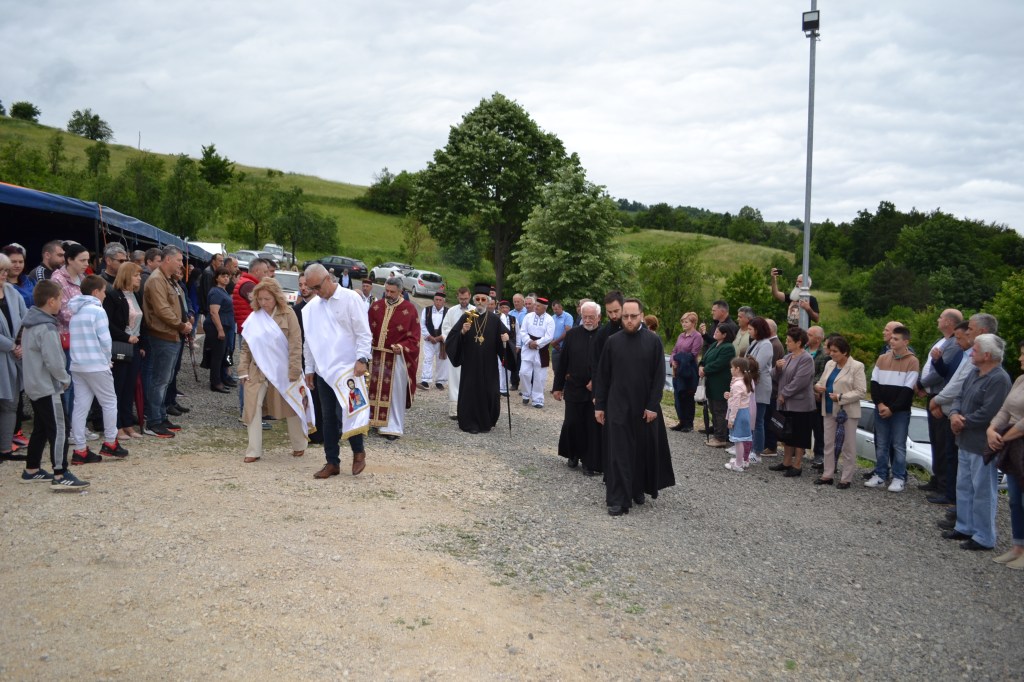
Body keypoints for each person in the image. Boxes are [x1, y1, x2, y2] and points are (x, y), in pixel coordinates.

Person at [594, 298, 675, 516]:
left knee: (640, 450)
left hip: (643, 407)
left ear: (641, 316)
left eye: (633, 316)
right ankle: (618, 499)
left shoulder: (653, 341)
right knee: (618, 452)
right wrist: (599, 405)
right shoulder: (612, 341)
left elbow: (659, 377)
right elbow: (603, 376)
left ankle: (637, 488)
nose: (629, 320)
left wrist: (652, 405)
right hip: (617, 406)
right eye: (625, 317)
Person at [301, 264, 372, 478]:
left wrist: (362, 358)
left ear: (328, 279)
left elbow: (363, 332)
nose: (315, 292)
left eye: (317, 287)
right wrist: (309, 368)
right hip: (324, 370)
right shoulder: (311, 308)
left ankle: (358, 452)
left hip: (348, 369)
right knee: (328, 416)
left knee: (351, 410)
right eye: (311, 288)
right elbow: (309, 341)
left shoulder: (351, 299)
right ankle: (332, 461)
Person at [942, 334, 1012, 551]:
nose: (971, 353)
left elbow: (990, 411)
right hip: (965, 440)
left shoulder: (999, 379)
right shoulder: (974, 372)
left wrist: (962, 422)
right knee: (964, 486)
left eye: (975, 350)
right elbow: (959, 397)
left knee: (983, 491)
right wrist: (954, 414)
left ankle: (984, 536)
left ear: (987, 355)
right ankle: (965, 526)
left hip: (982, 444)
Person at [20, 280, 89, 489]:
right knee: (59, 429)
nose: (61, 303)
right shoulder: (47, 328)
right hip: (48, 387)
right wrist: (64, 379)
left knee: (41, 427)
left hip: (34, 384)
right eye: (60, 299)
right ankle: (60, 474)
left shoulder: (29, 324)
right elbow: (54, 361)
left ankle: (32, 468)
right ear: (51, 301)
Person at [238, 278, 311, 463]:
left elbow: (296, 343)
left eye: (267, 299)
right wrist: (242, 369)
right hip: (257, 369)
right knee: (252, 406)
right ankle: (253, 450)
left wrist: (294, 370)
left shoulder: (288, 314)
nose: (263, 303)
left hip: (282, 369)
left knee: (292, 404)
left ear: (276, 297)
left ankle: (299, 444)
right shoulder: (254, 317)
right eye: (260, 299)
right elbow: (246, 347)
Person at [68, 275, 128, 463]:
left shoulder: (75, 311)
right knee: (109, 402)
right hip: (96, 364)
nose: (105, 295)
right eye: (103, 291)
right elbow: (105, 339)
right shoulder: (97, 311)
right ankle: (110, 442)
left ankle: (80, 449)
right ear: (95, 292)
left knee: (80, 406)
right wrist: (107, 359)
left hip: (78, 364)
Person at [444, 284, 514, 434]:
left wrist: (506, 340)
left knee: (489, 392)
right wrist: (462, 332)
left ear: (488, 301)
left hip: (489, 365)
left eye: (483, 299)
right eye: (478, 299)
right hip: (470, 364)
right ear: (474, 300)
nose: (480, 302)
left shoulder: (494, 319)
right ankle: (469, 423)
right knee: (470, 392)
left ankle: (486, 422)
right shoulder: (467, 316)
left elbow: (507, 338)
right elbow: (451, 339)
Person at [142, 246, 192, 439]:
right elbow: (162, 310)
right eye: (179, 260)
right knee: (159, 380)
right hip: (162, 335)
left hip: (172, 335)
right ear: (168, 259)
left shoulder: (169, 280)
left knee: (166, 379)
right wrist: (181, 325)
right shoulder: (156, 280)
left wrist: (184, 323)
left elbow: (176, 305)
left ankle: (161, 416)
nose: (181, 264)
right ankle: (153, 421)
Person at [864, 325, 920, 492]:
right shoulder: (882, 358)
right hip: (881, 408)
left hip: (900, 412)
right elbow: (874, 383)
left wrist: (892, 409)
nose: (892, 341)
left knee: (898, 444)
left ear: (906, 342)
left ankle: (898, 477)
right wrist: (880, 404)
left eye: (896, 339)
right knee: (881, 443)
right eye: (892, 338)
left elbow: (907, 390)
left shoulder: (912, 361)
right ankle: (880, 474)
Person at [917, 309, 964, 501]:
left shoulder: (953, 344)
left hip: (941, 397)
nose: (938, 319)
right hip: (933, 395)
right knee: (935, 439)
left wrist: (921, 384)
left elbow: (941, 373)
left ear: (949, 322)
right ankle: (937, 478)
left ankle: (944, 485)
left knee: (943, 441)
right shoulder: (942, 341)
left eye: (941, 317)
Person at [367, 277, 421, 440]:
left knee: (394, 393)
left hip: (396, 358)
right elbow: (366, 330)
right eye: (387, 291)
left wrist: (402, 347)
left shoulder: (409, 310)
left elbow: (414, 338)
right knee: (371, 389)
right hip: (375, 356)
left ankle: (392, 426)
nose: (388, 294)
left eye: (392, 292)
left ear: (400, 291)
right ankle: (371, 421)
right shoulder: (376, 307)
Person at [986, 340, 1024, 568]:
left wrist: (1003, 437)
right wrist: (992, 429)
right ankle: (1017, 547)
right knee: (1014, 500)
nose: (1020, 358)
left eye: (1023, 354)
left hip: (1016, 440)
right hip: (1013, 446)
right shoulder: (1020, 380)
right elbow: (1005, 409)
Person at [552, 300, 602, 475]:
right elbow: (563, 361)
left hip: (595, 391)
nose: (587, 320)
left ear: (599, 317)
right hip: (574, 387)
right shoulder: (572, 334)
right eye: (584, 317)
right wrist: (557, 387)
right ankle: (572, 454)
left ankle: (589, 461)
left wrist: (597, 380)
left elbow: (609, 364)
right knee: (572, 423)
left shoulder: (605, 336)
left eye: (591, 317)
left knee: (591, 426)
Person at [812, 335, 866, 488]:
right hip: (828, 408)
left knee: (848, 445)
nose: (831, 354)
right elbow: (821, 381)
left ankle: (846, 478)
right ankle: (827, 474)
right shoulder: (829, 364)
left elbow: (861, 391)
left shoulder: (857, 366)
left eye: (835, 351)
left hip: (847, 411)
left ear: (845, 352)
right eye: (830, 350)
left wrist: (841, 397)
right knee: (828, 443)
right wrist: (817, 387)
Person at [104, 262, 144, 440]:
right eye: (136, 275)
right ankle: (116, 425)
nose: (139, 278)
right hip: (120, 345)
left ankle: (127, 423)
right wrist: (126, 337)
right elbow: (108, 323)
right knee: (117, 387)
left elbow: (140, 322)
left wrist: (141, 344)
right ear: (127, 276)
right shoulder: (113, 295)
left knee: (129, 386)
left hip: (134, 345)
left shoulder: (135, 295)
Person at [768, 327, 816, 478]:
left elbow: (800, 381)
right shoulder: (788, 357)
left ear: (799, 342)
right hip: (785, 403)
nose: (786, 343)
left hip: (800, 405)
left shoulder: (806, 359)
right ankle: (786, 462)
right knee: (786, 433)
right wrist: (777, 367)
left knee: (799, 435)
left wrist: (784, 394)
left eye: (789, 341)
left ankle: (797, 465)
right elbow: (774, 375)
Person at [0, 253, 28, 460]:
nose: (4, 274)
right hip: (6, 353)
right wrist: (11, 346)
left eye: (5, 270)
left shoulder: (11, 292)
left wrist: (21, 344)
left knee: (10, 403)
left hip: (13, 357)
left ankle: (5, 448)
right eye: (0, 271)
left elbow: (25, 318)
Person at [699, 322, 737, 448]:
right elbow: (705, 358)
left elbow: (719, 363)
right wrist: (701, 366)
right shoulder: (715, 344)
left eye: (717, 331)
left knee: (720, 410)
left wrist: (705, 370)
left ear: (724, 334)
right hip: (711, 383)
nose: (714, 332)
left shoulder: (728, 348)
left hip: (720, 384)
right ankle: (716, 434)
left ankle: (721, 438)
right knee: (713, 409)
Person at [745, 317, 775, 462]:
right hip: (751, 384)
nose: (749, 332)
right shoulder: (755, 342)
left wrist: (745, 369)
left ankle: (757, 452)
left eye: (751, 329)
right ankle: (748, 447)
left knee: (758, 420)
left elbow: (757, 365)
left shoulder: (766, 345)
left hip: (760, 386)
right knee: (750, 418)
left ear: (758, 330)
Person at [440, 287, 472, 419]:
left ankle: (468, 408)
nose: (463, 301)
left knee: (469, 379)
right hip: (455, 349)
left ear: (470, 296)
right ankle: (454, 409)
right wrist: (457, 337)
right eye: (461, 298)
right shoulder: (452, 311)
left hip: (471, 350)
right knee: (454, 378)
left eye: (466, 298)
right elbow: (445, 329)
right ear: (457, 297)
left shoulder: (475, 311)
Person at [519, 296, 555, 409]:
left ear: (544, 308)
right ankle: (526, 393)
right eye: (535, 305)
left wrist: (537, 343)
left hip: (541, 349)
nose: (535, 307)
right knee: (523, 372)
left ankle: (538, 399)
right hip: (528, 347)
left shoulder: (549, 319)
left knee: (540, 376)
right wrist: (529, 342)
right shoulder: (528, 317)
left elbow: (549, 336)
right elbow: (522, 331)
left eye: (538, 306)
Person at [670, 312, 702, 432]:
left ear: (693, 323)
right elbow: (674, 351)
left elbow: (693, 354)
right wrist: (673, 360)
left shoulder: (697, 336)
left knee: (687, 396)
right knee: (678, 396)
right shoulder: (681, 336)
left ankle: (689, 423)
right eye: (682, 322)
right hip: (677, 369)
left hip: (688, 370)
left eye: (686, 322)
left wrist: (678, 358)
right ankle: (681, 421)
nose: (683, 324)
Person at [203, 267, 234, 393]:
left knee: (221, 355)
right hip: (216, 327)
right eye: (223, 276)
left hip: (224, 326)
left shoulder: (223, 291)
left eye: (227, 276)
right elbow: (214, 312)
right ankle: (215, 383)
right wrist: (220, 330)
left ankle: (220, 380)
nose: (226, 278)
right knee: (217, 356)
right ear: (216, 278)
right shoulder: (216, 292)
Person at [724, 357, 757, 471]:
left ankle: (738, 464)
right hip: (744, 412)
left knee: (738, 440)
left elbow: (735, 404)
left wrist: (731, 419)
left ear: (737, 369)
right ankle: (741, 460)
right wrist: (730, 395)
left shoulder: (737, 384)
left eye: (732, 367)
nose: (730, 369)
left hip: (739, 413)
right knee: (741, 439)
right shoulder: (744, 381)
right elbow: (740, 397)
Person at [419, 291, 449, 390]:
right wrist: (429, 336)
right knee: (427, 359)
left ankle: (440, 381)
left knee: (442, 361)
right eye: (436, 300)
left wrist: (441, 337)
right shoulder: (426, 310)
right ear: (433, 300)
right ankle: (425, 381)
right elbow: (422, 324)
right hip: (429, 341)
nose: (438, 302)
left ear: (444, 302)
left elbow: (450, 327)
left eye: (440, 300)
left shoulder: (448, 312)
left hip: (442, 341)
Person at [3, 243, 35, 308]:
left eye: (21, 262)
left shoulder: (30, 280)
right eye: (13, 262)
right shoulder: (2, 286)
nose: (18, 265)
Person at [549, 300, 573, 373]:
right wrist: (553, 343)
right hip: (555, 348)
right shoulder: (552, 318)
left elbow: (567, 331)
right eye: (553, 309)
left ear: (561, 307)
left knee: (565, 371)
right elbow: (548, 332)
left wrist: (556, 342)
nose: (555, 311)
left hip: (565, 348)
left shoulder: (568, 316)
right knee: (556, 370)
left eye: (556, 309)